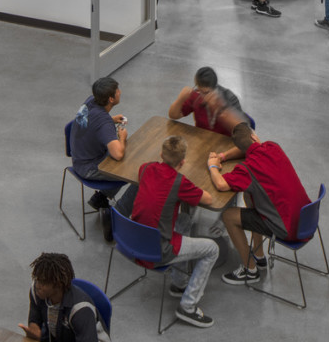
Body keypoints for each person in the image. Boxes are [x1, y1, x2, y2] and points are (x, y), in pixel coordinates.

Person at [205, 121, 311, 286]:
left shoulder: (247, 170)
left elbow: (221, 185)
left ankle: (249, 270)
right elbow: (247, 149)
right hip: (306, 218)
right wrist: (223, 156)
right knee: (249, 193)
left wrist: (213, 165)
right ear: (254, 137)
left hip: (287, 228)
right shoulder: (273, 147)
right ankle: (259, 256)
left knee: (228, 215)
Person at [128, 135, 219, 328]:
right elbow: (209, 199)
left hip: (132, 241)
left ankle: (179, 283)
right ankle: (188, 307)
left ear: (161, 154)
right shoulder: (179, 182)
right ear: (183, 162)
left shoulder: (145, 168)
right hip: (157, 251)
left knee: (184, 218)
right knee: (212, 249)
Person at [20, 252, 102, 342]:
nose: (37, 285)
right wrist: (34, 331)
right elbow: (35, 315)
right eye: (37, 279)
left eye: (43, 282)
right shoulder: (37, 291)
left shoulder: (81, 311)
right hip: (58, 336)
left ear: (58, 285)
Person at [70, 78, 128, 239]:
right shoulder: (103, 123)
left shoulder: (90, 101)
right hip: (89, 168)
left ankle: (100, 198)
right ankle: (118, 216)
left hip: (79, 157)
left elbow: (93, 121)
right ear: (111, 99)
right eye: (117, 91)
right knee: (131, 170)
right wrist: (122, 137)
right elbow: (117, 154)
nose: (120, 92)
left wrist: (111, 119)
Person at [168, 66, 247, 135]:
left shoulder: (229, 97)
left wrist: (221, 110)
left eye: (206, 92)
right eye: (200, 91)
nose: (203, 96)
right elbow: (174, 115)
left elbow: (243, 130)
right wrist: (181, 98)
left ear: (215, 87)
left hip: (224, 142)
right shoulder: (196, 95)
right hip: (203, 140)